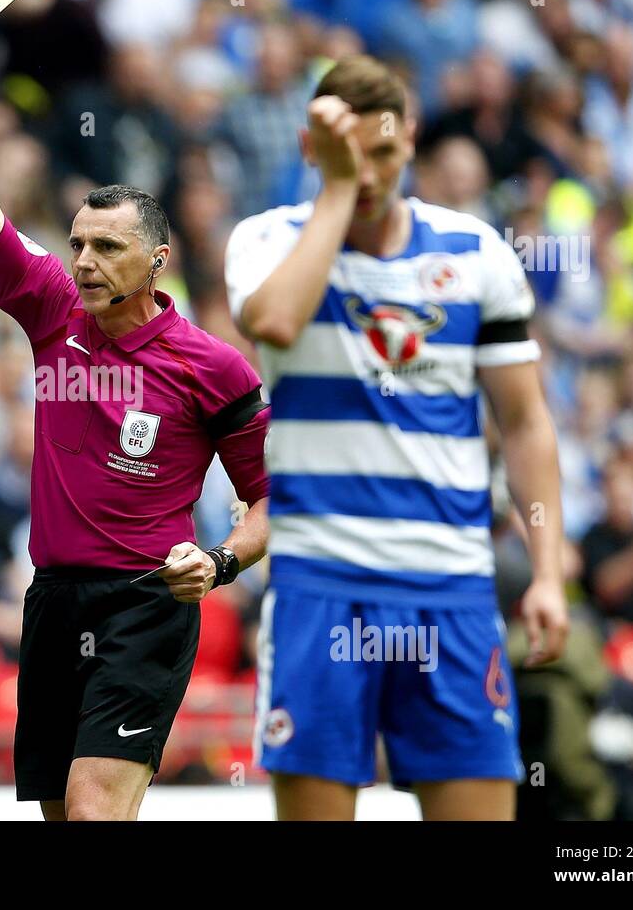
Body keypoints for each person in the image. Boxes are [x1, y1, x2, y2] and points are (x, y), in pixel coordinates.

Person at [0, 9, 271, 820]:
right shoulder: (54, 312)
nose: (84, 262)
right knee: (62, 815)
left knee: (93, 811)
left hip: (145, 604)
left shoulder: (214, 366)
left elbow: (271, 499)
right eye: (78, 244)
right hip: (52, 600)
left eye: (107, 249)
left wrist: (222, 563)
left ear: (157, 261)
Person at [227, 55, 569, 820]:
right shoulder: (264, 240)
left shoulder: (477, 253)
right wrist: (340, 187)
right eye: (354, 153)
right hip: (322, 586)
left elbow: (524, 420)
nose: (373, 172)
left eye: (384, 152)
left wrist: (546, 569)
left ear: (411, 139)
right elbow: (276, 322)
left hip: (451, 588)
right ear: (310, 145)